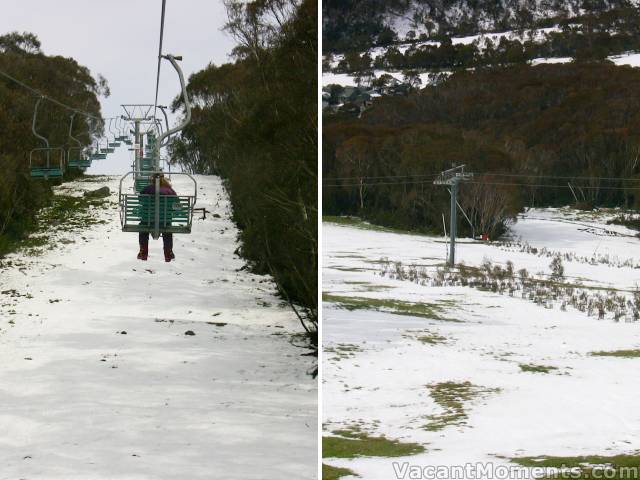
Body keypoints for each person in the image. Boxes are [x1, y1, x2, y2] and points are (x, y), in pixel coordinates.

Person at [137, 174, 177, 262]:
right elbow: (176, 203)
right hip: (165, 220)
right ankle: (168, 253)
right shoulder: (170, 190)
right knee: (167, 229)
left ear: (152, 179)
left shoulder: (148, 189)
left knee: (143, 228)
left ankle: (143, 251)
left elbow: (140, 199)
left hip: (148, 220)